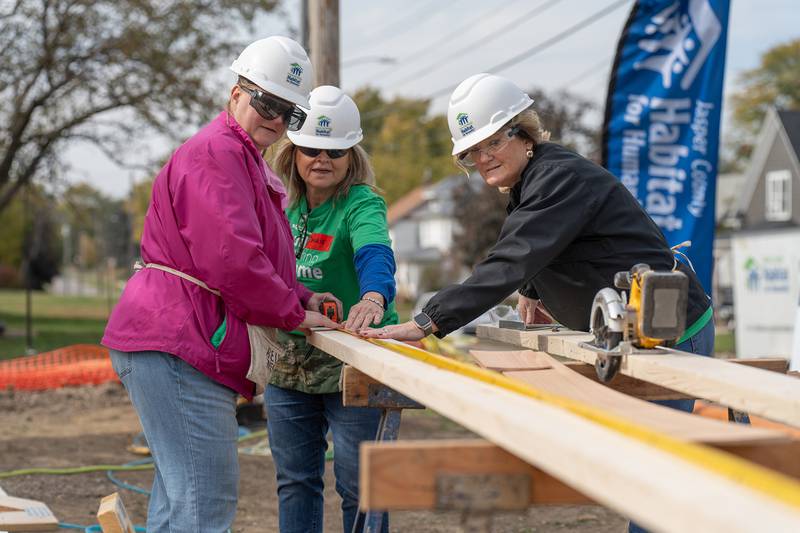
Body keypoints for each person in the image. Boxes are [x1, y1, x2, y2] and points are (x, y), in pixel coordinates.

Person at [359, 72, 713, 533]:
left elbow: (514, 255)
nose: (482, 159)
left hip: (671, 331)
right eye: (472, 152)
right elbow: (542, 245)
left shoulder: (557, 178)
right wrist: (532, 291)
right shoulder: (535, 180)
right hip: (639, 334)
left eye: (491, 143)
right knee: (644, 472)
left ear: (523, 133)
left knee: (657, 480)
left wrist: (428, 321)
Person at [101, 36, 340, 533]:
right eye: (267, 102)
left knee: (182, 499)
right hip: (177, 343)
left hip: (176, 340)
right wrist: (293, 314)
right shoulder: (217, 154)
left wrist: (302, 296)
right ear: (236, 93)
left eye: (289, 113)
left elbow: (258, 259)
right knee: (203, 505)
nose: (276, 119)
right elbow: (231, 260)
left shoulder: (242, 157)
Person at [268, 85, 398, 533]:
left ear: (351, 155)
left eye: (335, 151)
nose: (322, 160)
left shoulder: (360, 203)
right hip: (289, 360)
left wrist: (373, 295)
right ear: (294, 151)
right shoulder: (279, 203)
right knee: (295, 482)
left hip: (353, 360)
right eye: (311, 149)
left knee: (359, 486)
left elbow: (375, 252)